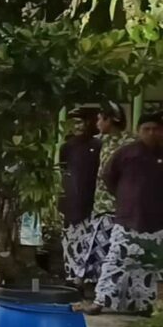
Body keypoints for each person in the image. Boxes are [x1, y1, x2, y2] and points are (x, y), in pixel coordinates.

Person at [89, 113, 163, 315]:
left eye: (155, 129)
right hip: (128, 217)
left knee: (148, 265)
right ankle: (100, 301)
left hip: (157, 221)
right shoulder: (126, 153)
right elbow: (108, 176)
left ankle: (143, 305)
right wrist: (124, 197)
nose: (151, 133)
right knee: (115, 261)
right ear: (139, 131)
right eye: (146, 129)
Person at [83, 102, 132, 306]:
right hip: (100, 206)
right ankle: (99, 291)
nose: (97, 123)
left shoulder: (130, 143)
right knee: (98, 252)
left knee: (115, 255)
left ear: (110, 120)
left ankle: (113, 297)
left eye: (100, 119)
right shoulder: (99, 142)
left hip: (119, 208)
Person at [59, 109, 102, 287]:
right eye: (73, 123)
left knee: (90, 245)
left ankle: (90, 281)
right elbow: (64, 173)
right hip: (70, 204)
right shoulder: (66, 147)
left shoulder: (98, 145)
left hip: (91, 203)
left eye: (80, 122)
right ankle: (72, 281)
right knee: (71, 244)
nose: (77, 127)